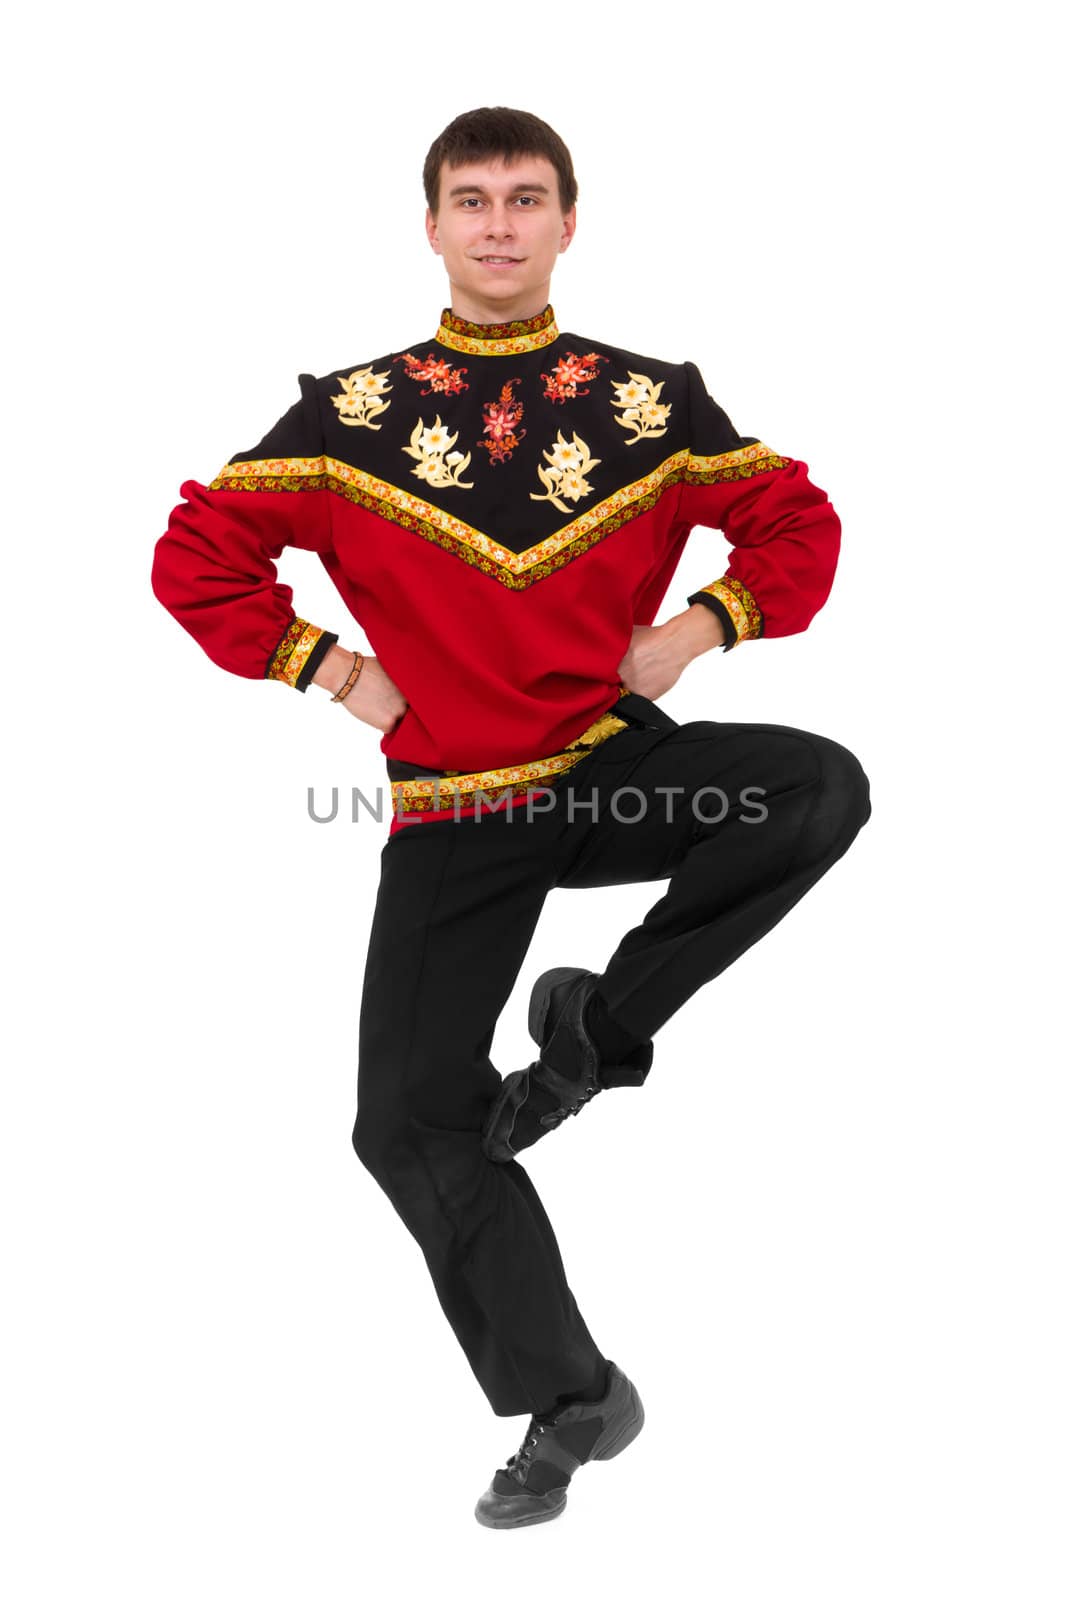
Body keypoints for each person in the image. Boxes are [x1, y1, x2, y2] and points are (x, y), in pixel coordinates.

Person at [151, 105, 872, 1531]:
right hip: (457, 806)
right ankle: (573, 1396)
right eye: (470, 199)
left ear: (566, 223)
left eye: (525, 196)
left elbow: (795, 519)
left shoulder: (651, 405)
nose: (497, 221)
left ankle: (595, 1033)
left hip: (606, 763)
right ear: (431, 228)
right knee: (407, 1122)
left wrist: (701, 628)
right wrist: (332, 668)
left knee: (814, 787)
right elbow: (197, 554)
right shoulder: (350, 416)